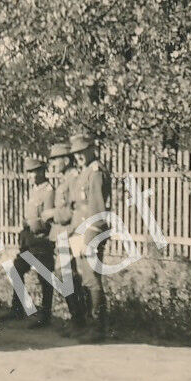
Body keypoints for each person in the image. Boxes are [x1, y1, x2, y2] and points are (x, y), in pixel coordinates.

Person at [0, 157, 56, 328]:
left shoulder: (49, 190)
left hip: (42, 238)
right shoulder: (34, 190)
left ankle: (45, 316)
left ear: (42, 171)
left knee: (44, 276)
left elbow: (49, 216)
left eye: (34, 171)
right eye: (29, 172)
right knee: (16, 269)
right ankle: (17, 309)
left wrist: (39, 227)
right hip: (28, 238)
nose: (31, 175)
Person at [68, 132, 111, 342]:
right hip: (79, 231)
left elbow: (97, 207)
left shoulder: (96, 172)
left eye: (82, 151)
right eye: (76, 153)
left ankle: (98, 327)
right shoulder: (84, 172)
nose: (79, 156)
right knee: (83, 277)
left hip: (90, 232)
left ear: (92, 149)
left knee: (92, 279)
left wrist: (90, 237)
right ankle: (86, 324)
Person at [42, 141, 86, 335]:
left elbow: (73, 209)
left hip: (71, 232)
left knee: (69, 275)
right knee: (65, 275)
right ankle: (77, 319)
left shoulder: (74, 179)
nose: (52, 163)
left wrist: (53, 214)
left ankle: (80, 320)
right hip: (62, 233)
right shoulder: (65, 179)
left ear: (66, 160)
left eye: (56, 159)